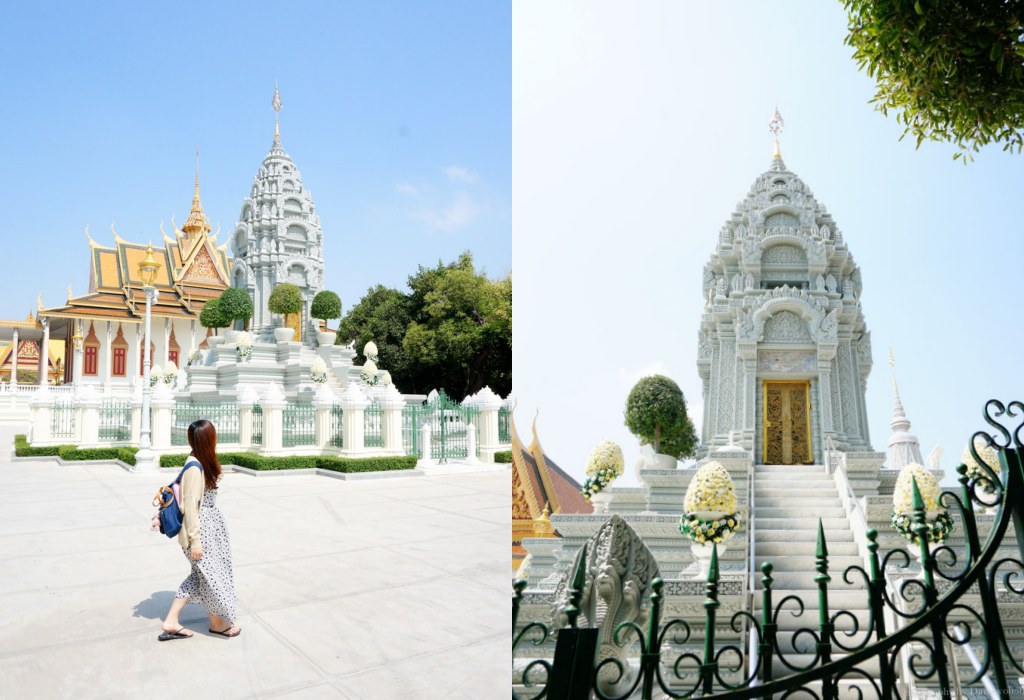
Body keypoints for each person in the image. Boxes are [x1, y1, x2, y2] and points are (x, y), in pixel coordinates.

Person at [159, 419, 241, 640]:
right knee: (209, 576)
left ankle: (178, 621)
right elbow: (191, 507)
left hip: (209, 530)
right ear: (208, 440)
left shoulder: (199, 462)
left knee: (203, 576)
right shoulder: (195, 468)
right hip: (200, 532)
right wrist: (196, 541)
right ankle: (210, 622)